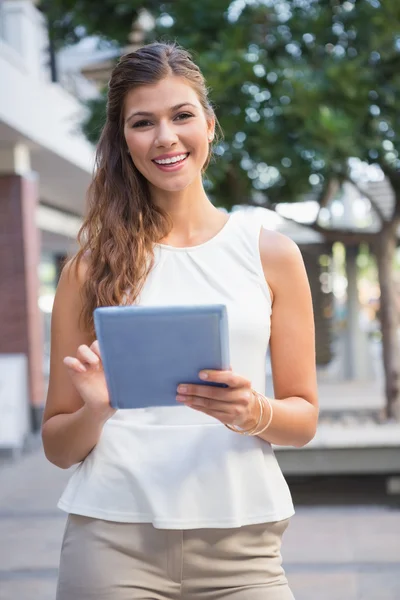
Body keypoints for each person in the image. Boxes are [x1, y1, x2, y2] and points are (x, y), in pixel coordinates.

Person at [42, 41, 318, 600]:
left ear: (210, 126)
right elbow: (57, 445)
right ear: (124, 140)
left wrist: (252, 410)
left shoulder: (272, 255)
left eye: (182, 115)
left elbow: (304, 419)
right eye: (143, 122)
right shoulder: (89, 268)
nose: (165, 137)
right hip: (112, 543)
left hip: (244, 547)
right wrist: (97, 409)